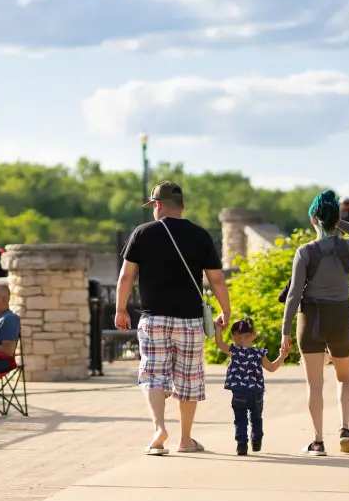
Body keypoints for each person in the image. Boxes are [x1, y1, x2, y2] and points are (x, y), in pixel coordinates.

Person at [115, 181, 231, 455]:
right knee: (189, 379)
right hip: (189, 320)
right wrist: (225, 309)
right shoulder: (200, 235)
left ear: (157, 205)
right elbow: (216, 278)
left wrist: (120, 309)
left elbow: (126, 276)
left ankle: (159, 429)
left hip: (154, 318)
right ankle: (186, 439)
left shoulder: (142, 233)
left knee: (153, 374)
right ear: (182, 206)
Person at [281, 190, 349, 457]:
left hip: (311, 319)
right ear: (336, 217)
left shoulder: (305, 251)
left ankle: (318, 442)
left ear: (312, 219)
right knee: (344, 378)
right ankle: (344, 430)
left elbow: (294, 294)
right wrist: (338, 221)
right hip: (341, 316)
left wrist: (285, 330)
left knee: (315, 385)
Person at [215, 318, 287, 456]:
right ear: (254, 335)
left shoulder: (234, 351)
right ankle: (256, 441)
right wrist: (282, 356)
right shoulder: (259, 354)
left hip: (239, 392)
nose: (241, 340)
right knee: (256, 418)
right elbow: (271, 368)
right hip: (256, 392)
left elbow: (219, 342)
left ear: (232, 336)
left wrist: (218, 327)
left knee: (240, 418)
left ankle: (241, 445)